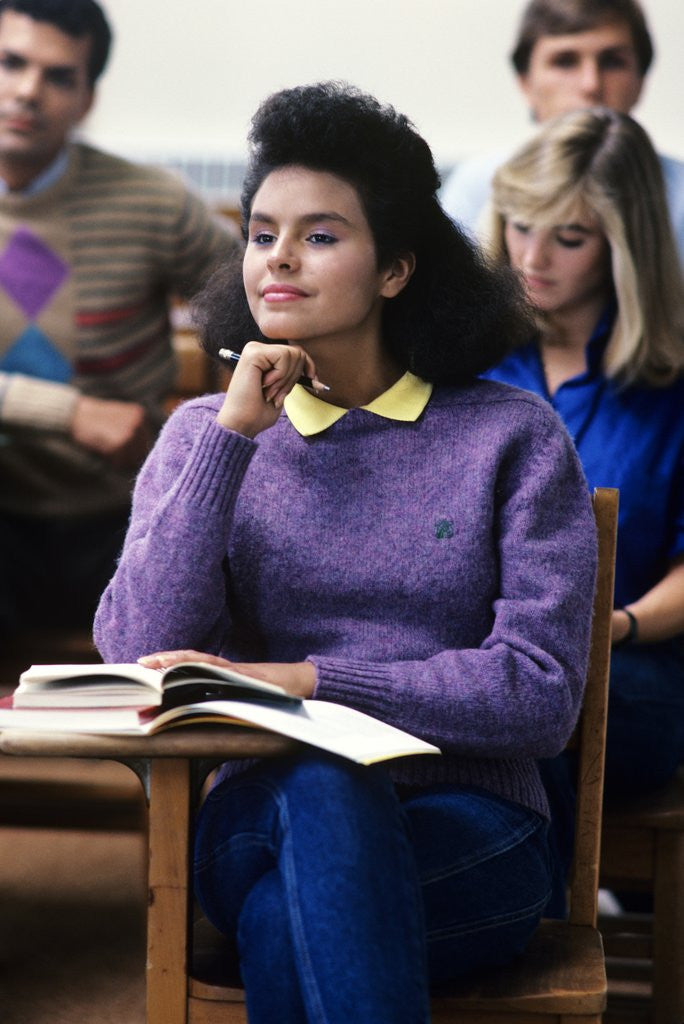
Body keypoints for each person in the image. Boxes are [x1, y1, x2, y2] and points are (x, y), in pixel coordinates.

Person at [94, 81, 597, 1020]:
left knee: (292, 927)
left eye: (321, 236)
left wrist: (311, 682)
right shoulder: (206, 435)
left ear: (397, 269)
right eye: (260, 232)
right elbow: (136, 652)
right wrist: (233, 440)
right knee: (321, 784)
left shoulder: (511, 437)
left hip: (476, 832)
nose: (278, 257)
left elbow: (539, 693)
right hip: (258, 818)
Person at [0, 0, 238, 635]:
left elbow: (258, 305)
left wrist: (224, 426)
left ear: (85, 98)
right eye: (10, 63)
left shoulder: (150, 204)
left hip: (123, 513)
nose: (27, 91)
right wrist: (69, 412)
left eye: (58, 76)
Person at [484, 106, 684, 803]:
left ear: (624, 247)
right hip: (474, 656)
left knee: (533, 697)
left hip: (628, 664)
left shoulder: (673, 381)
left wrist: (614, 627)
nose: (532, 259)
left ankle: (526, 903)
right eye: (520, 226)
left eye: (569, 237)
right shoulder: (462, 364)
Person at [440, 0, 684, 268]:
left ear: (641, 80)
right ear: (526, 82)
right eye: (565, 62)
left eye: (612, 61)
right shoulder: (478, 188)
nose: (591, 84)